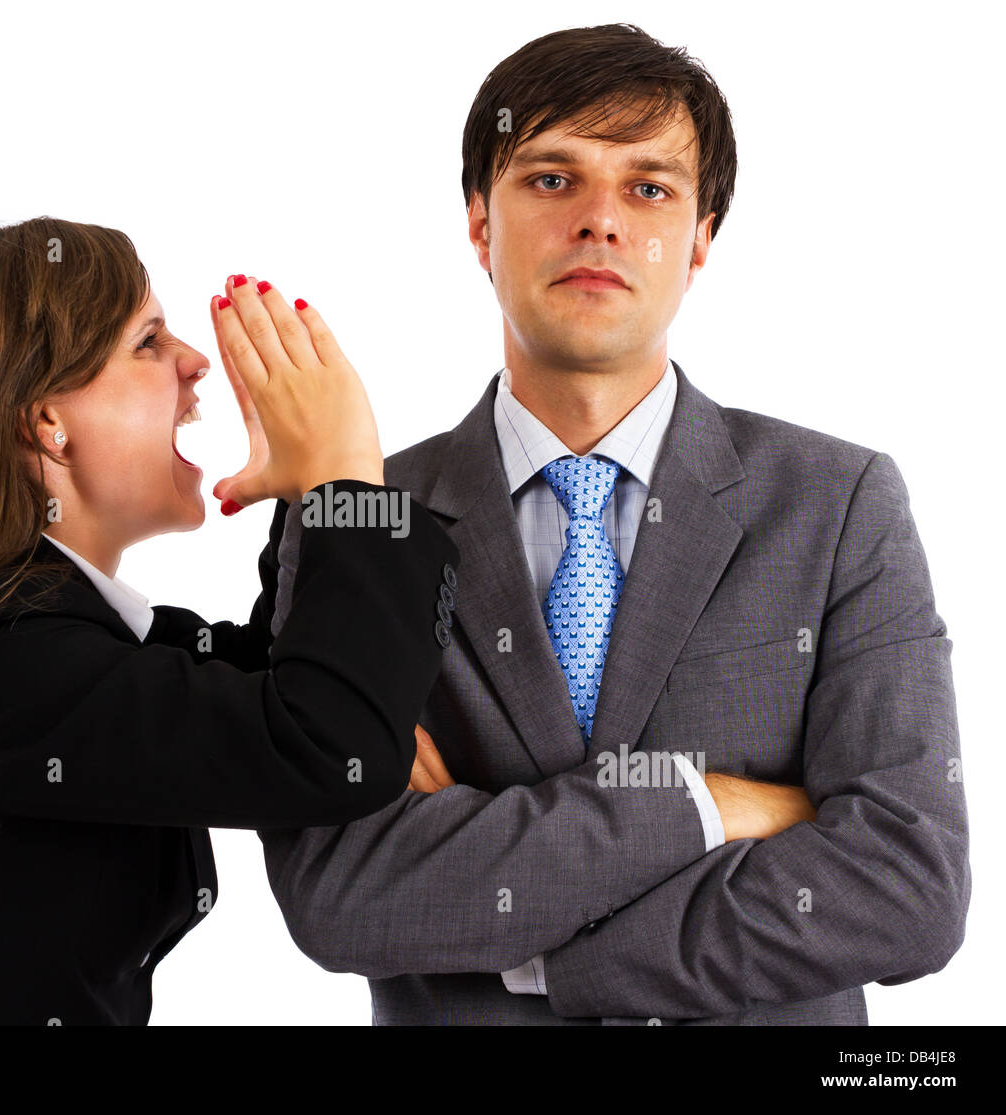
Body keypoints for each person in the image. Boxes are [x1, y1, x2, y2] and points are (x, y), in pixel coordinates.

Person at [259, 24, 969, 1024]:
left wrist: (548, 953)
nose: (599, 221)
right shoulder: (363, 516)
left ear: (701, 237)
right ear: (478, 223)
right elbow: (340, 894)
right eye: (552, 179)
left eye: (647, 188)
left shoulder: (838, 502)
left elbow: (908, 885)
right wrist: (706, 805)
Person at [0, 217, 460, 1025]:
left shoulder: (45, 634)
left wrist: (315, 501)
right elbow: (326, 743)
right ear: (47, 422)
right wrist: (346, 481)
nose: (196, 361)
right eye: (149, 341)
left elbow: (277, 685)